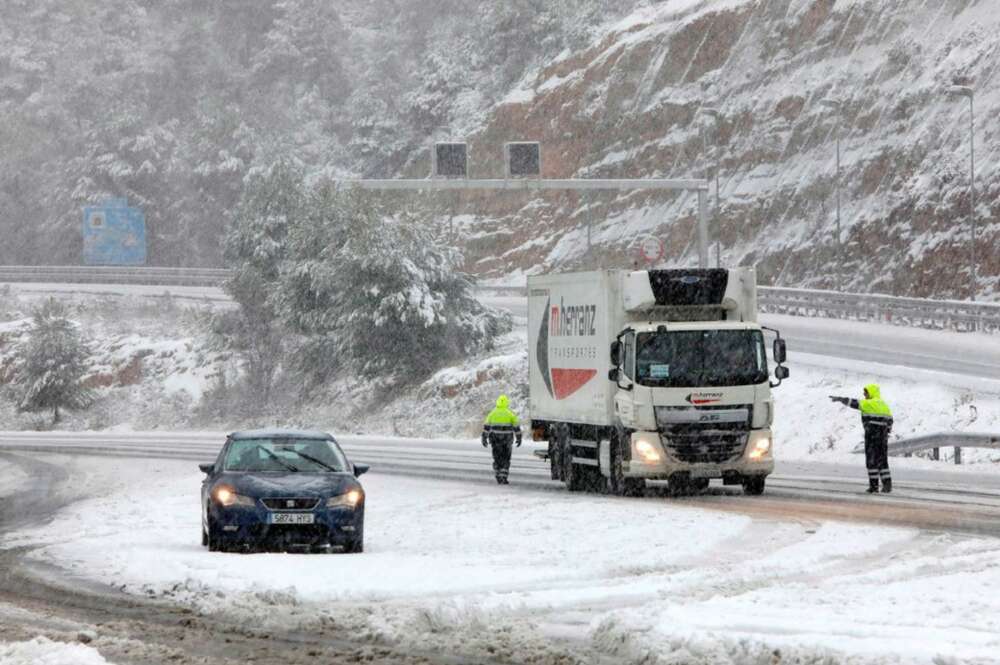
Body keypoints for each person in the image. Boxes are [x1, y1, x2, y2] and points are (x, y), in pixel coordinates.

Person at [830, 384, 893, 493]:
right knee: (882, 461)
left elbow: (854, 403)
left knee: (871, 461)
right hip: (882, 437)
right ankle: (887, 485)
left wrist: (840, 399)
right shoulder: (884, 405)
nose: (864, 394)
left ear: (871, 392)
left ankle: (874, 487)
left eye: (866, 392)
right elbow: (890, 421)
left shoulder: (868, 403)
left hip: (872, 436)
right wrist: (885, 432)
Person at [482, 394, 522, 484]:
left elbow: (486, 427)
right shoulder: (510, 413)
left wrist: (484, 438)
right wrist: (519, 438)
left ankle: (498, 474)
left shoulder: (492, 413)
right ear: (507, 403)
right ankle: (503, 476)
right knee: (506, 458)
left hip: (495, 441)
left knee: (497, 458)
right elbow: (516, 427)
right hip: (507, 441)